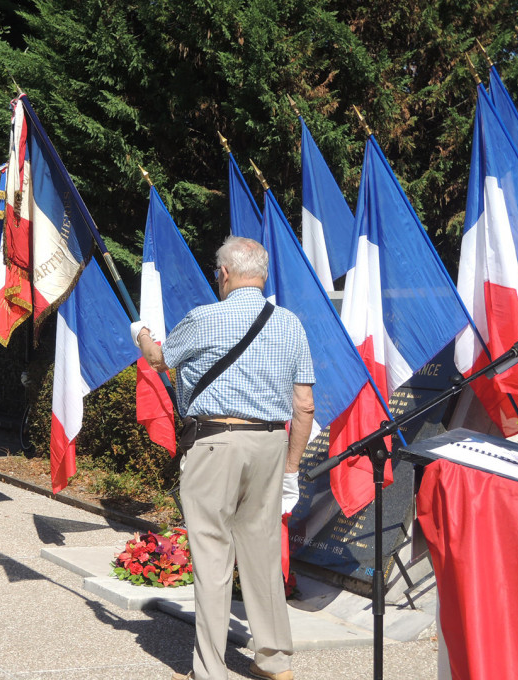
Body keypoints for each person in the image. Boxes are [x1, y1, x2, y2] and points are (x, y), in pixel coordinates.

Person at [132, 236, 315, 680]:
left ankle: (211, 670)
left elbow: (159, 359)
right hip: (271, 443)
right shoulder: (291, 324)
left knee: (212, 556)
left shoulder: (205, 318)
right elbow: (305, 404)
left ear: (225, 274)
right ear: (263, 275)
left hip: (214, 442)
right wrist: (291, 467)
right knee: (263, 554)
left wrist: (139, 333)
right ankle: (275, 661)